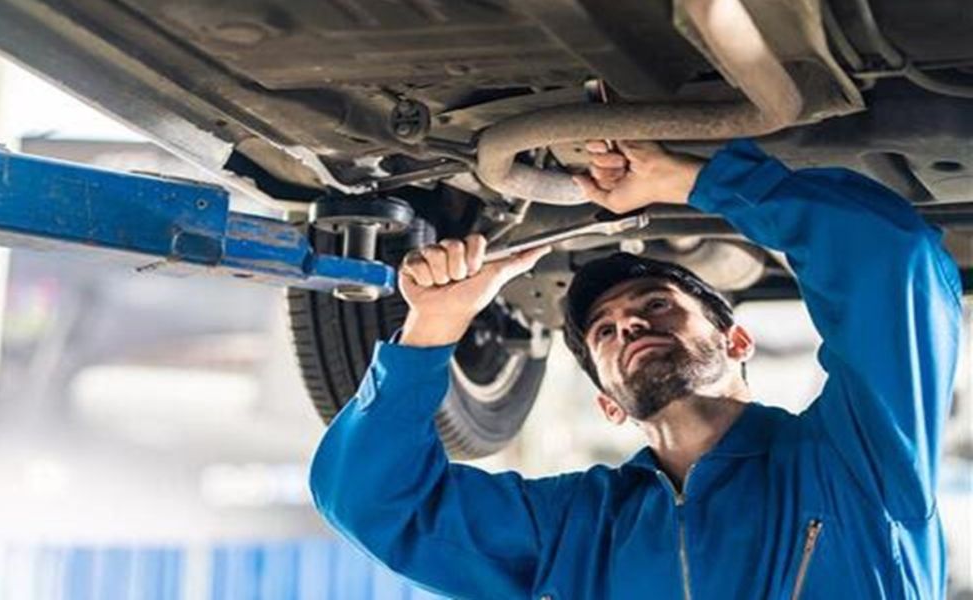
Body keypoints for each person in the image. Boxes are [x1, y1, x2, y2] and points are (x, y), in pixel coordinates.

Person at [309, 139, 964, 599]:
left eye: (657, 304)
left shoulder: (855, 464)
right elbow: (375, 506)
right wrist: (433, 328)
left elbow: (893, 263)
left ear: (738, 341)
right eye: (603, 331)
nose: (629, 325)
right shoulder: (577, 526)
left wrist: (695, 182)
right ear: (610, 405)